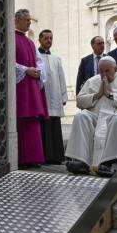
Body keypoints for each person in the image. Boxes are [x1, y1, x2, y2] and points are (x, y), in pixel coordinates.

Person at [66, 56, 117, 176]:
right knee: (81, 117)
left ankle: (108, 163)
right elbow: (79, 101)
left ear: (115, 69)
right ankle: (82, 161)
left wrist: (110, 95)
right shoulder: (92, 81)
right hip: (96, 115)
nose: (104, 74)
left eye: (107, 71)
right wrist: (98, 94)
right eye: (101, 71)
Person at [14, 9, 50, 168]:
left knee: (33, 120)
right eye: (27, 20)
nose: (29, 22)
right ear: (18, 20)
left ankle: (34, 157)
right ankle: (22, 158)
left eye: (29, 20)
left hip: (31, 85)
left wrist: (38, 72)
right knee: (21, 119)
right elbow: (8, 61)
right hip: (21, 85)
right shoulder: (11, 38)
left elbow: (39, 61)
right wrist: (25, 70)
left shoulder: (30, 42)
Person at [38, 29, 68, 164]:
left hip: (55, 96)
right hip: (42, 96)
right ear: (40, 39)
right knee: (43, 126)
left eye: (51, 38)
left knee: (55, 126)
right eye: (46, 38)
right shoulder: (35, 57)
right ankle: (44, 156)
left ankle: (56, 156)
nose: (49, 41)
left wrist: (63, 95)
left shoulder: (56, 59)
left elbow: (62, 78)